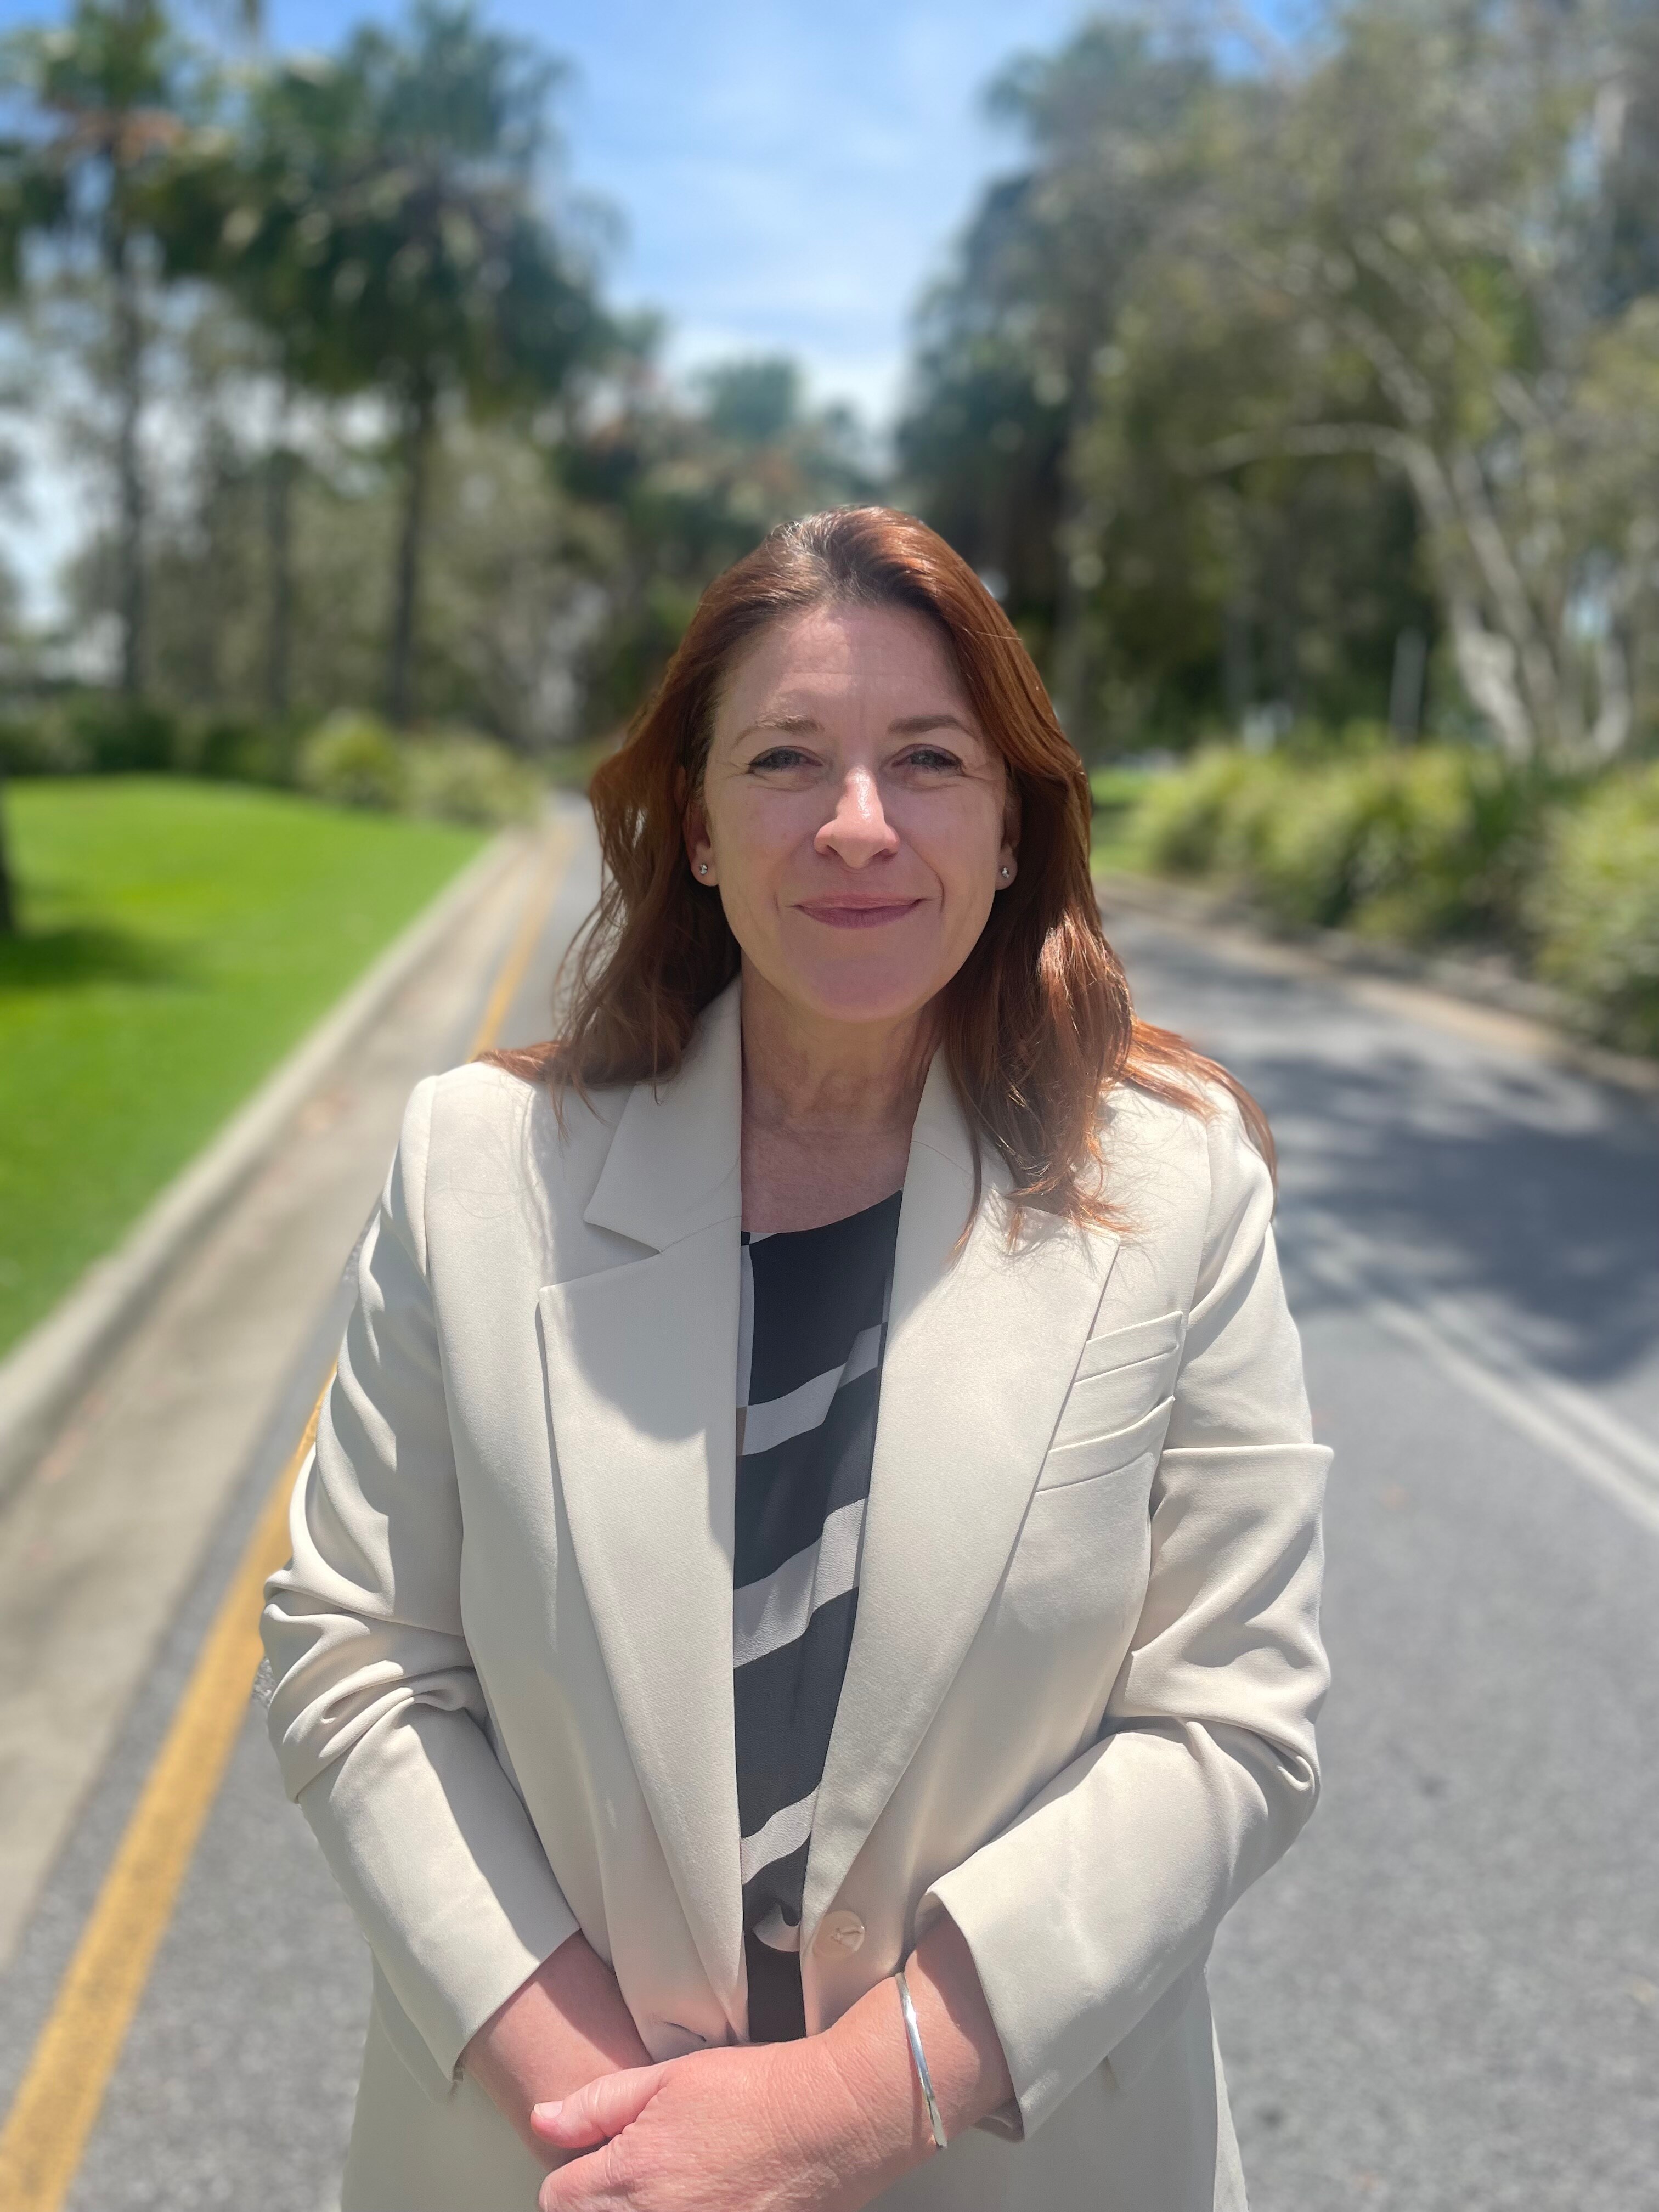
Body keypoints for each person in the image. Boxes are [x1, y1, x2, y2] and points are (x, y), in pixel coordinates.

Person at [262, 506, 1329, 2212]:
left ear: (1008, 825)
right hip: (553, 2164)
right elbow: (359, 1660)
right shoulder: (474, 1169)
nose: (857, 826)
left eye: (927, 760)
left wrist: (843, 2109)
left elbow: (1230, 1723)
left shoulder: (1180, 1186)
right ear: (693, 828)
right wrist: (625, 2133)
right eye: (784, 760)